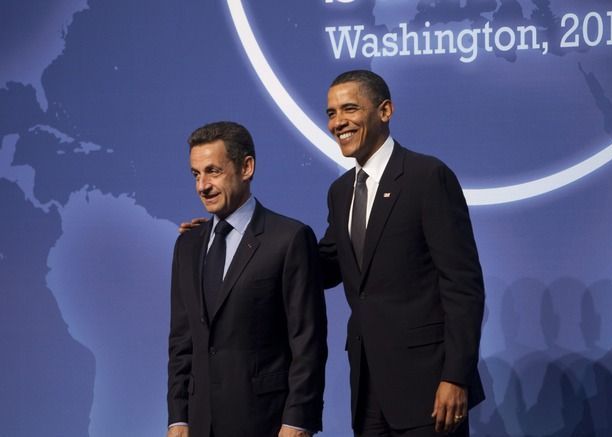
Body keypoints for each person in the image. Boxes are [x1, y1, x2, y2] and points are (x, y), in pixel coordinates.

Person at [318, 70, 485, 436]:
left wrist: (456, 377)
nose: (338, 122)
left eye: (349, 109)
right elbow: (326, 266)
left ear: (385, 110)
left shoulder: (427, 177)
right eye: (331, 113)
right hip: (369, 387)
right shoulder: (341, 191)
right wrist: (242, 232)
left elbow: (462, 286)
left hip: (429, 386)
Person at [167, 121, 327, 437]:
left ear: (246, 167)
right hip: (199, 424)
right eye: (196, 174)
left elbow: (308, 342)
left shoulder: (289, 238)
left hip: (265, 423)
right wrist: (179, 419)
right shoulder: (187, 245)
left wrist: (297, 421)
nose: (203, 186)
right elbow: (182, 343)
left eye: (213, 171)